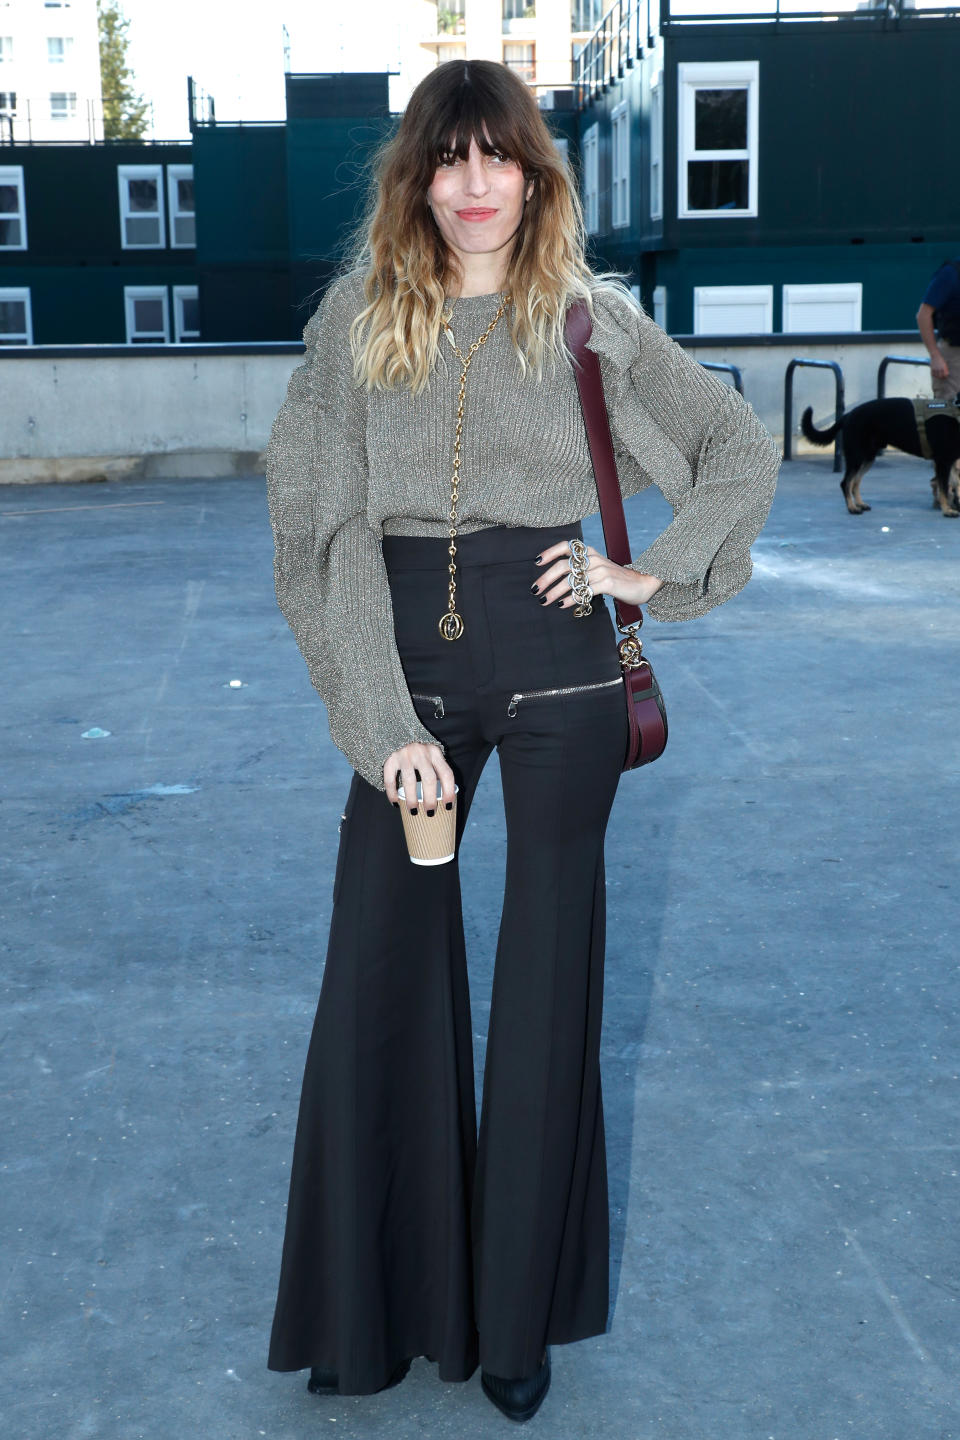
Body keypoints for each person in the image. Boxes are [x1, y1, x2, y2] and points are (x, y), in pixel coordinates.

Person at [263, 58, 780, 1424]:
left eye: (501, 157)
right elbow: (317, 535)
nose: (477, 184)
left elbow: (736, 444)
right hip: (410, 666)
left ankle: (514, 1326)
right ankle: (371, 1310)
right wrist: (378, 725)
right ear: (418, 177)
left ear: (535, 173)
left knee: (549, 987)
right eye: (451, 158)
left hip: (560, 670)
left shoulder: (591, 317)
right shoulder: (356, 324)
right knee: (379, 962)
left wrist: (648, 574)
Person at [917, 257, 960, 400]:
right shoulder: (951, 273)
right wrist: (935, 356)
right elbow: (923, 315)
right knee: (950, 413)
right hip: (953, 357)